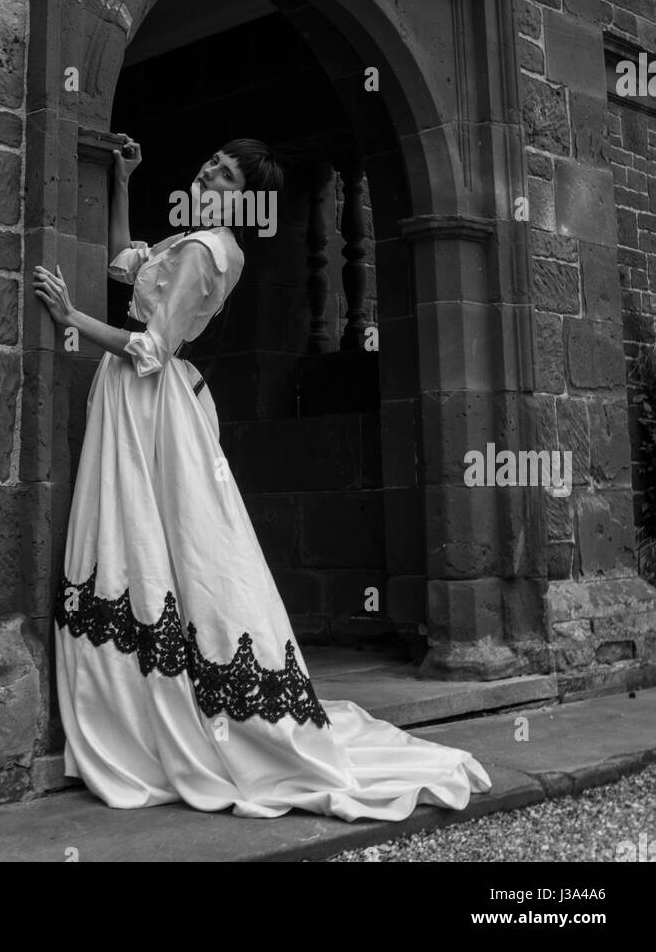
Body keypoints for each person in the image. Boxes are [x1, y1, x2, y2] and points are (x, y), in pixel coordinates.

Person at [32, 135, 491, 821]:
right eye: (210, 162)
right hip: (147, 400)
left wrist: (70, 319)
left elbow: (152, 348)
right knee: (157, 536)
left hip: (142, 396)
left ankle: (161, 706)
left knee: (148, 537)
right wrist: (123, 179)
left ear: (242, 197)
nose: (207, 170)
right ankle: (150, 691)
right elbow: (128, 263)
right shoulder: (206, 244)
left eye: (223, 172)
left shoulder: (207, 249)